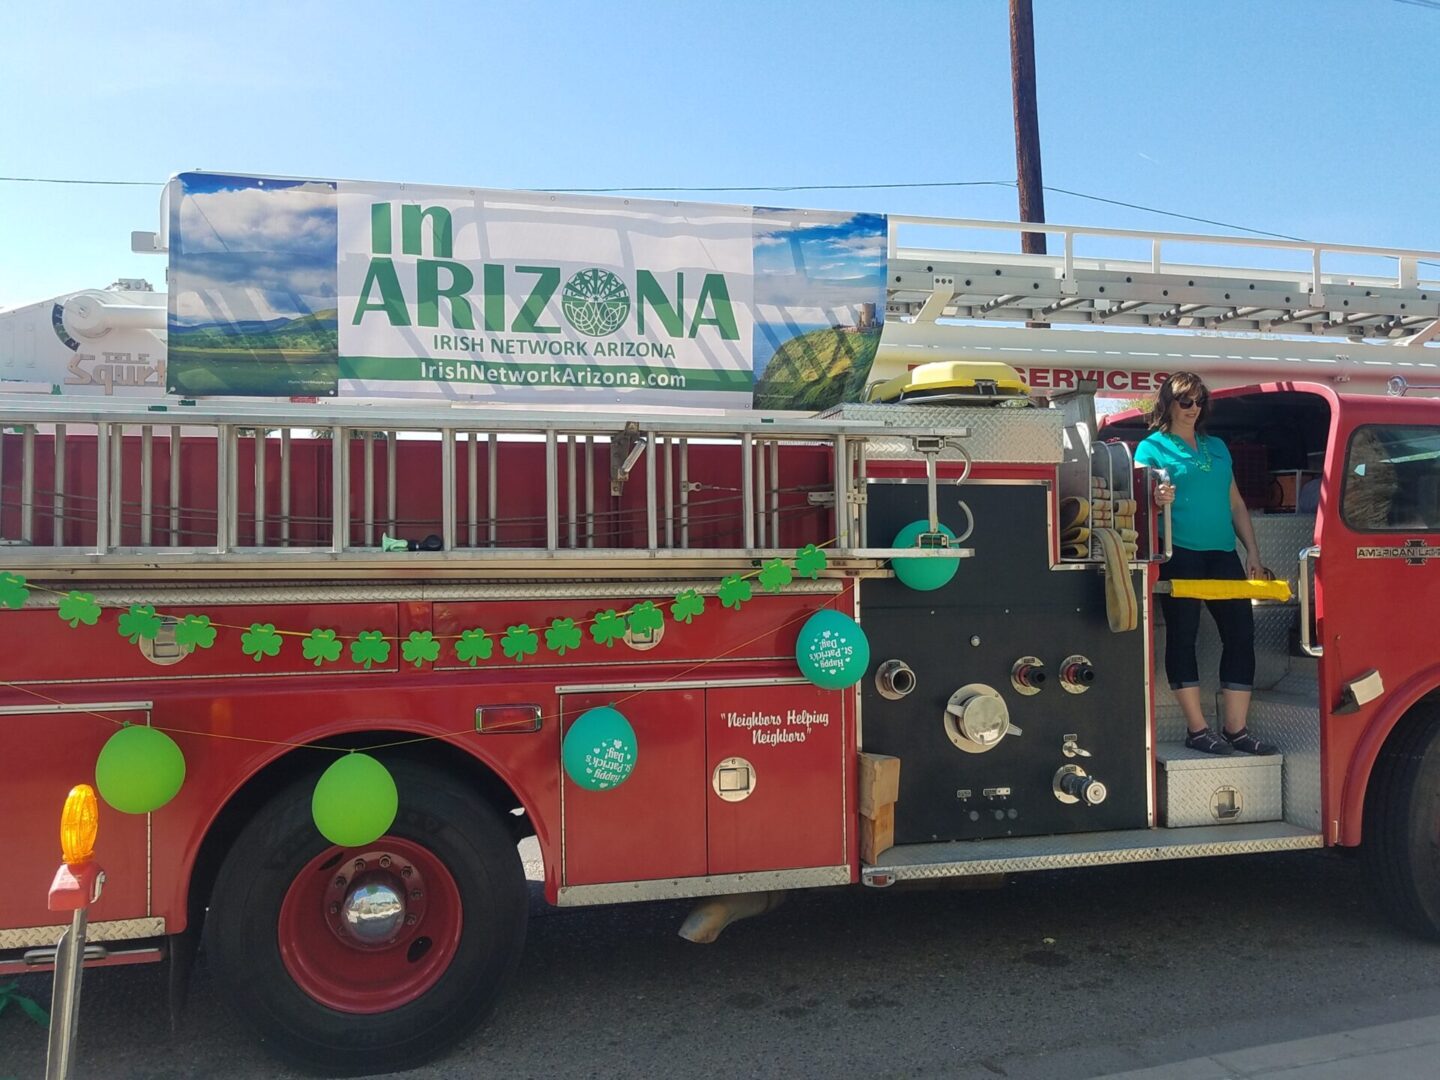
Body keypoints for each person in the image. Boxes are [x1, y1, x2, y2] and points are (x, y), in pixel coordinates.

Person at [1134, 372, 1277, 756]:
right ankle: (1197, 730)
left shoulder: (1218, 447)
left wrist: (1254, 552)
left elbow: (1235, 503)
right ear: (1167, 404)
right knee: (1183, 636)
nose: (1193, 409)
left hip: (1222, 553)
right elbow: (1137, 501)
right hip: (1179, 552)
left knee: (1241, 633)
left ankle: (1236, 730)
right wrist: (1155, 496)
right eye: (1185, 401)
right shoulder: (1151, 448)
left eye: (1199, 401)